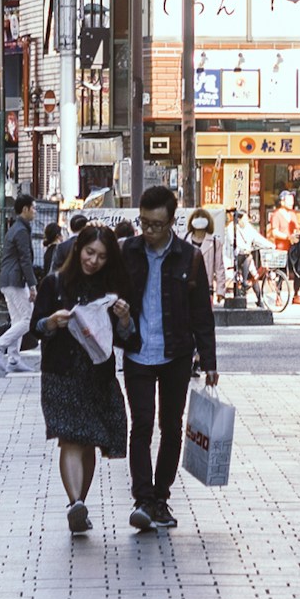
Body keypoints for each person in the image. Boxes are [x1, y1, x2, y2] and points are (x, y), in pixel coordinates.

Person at [113, 185, 217, 533]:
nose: (150, 231)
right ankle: (142, 499)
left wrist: (210, 360)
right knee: (140, 424)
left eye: (157, 225)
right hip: (138, 351)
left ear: (173, 221)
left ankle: (160, 498)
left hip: (175, 353)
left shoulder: (190, 256)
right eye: (144, 223)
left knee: (171, 427)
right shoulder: (127, 251)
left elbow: (202, 312)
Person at [33, 224, 133, 530]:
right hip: (61, 372)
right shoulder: (54, 283)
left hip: (97, 373)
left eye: (102, 256)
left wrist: (125, 318)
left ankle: (79, 504)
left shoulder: (112, 288)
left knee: (88, 441)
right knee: (70, 440)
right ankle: (75, 502)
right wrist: (50, 322)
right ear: (78, 250)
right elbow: (33, 329)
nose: (93, 261)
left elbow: (124, 338)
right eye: (90, 252)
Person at [0, 192, 37, 374]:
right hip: (15, 279)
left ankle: (14, 359)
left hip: (8, 279)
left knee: (18, 320)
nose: (35, 211)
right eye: (33, 208)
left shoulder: (17, 228)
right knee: (28, 320)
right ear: (25, 209)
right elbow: (25, 259)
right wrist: (33, 286)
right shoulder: (21, 230)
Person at [187, 210, 222, 299]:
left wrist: (220, 291)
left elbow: (219, 268)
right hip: (185, 287)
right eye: (197, 218)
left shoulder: (215, 243)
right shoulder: (184, 240)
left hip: (206, 288)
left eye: (202, 218)